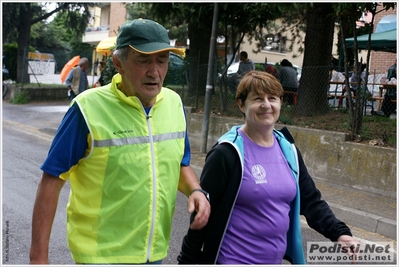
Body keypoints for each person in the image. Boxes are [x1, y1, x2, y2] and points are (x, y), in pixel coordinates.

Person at [29, 18, 210, 265]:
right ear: (118, 63)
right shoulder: (87, 108)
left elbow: (180, 163)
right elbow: (52, 179)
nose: (154, 71)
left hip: (154, 254)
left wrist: (196, 190)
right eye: (144, 60)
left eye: (162, 60)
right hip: (100, 256)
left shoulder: (174, 104)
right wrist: (38, 257)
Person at [177, 71, 359, 264]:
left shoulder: (289, 150)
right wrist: (186, 260)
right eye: (257, 99)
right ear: (241, 104)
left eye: (272, 98)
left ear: (280, 102)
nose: (266, 105)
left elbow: (311, 200)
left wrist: (339, 233)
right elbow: (202, 214)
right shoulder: (227, 153)